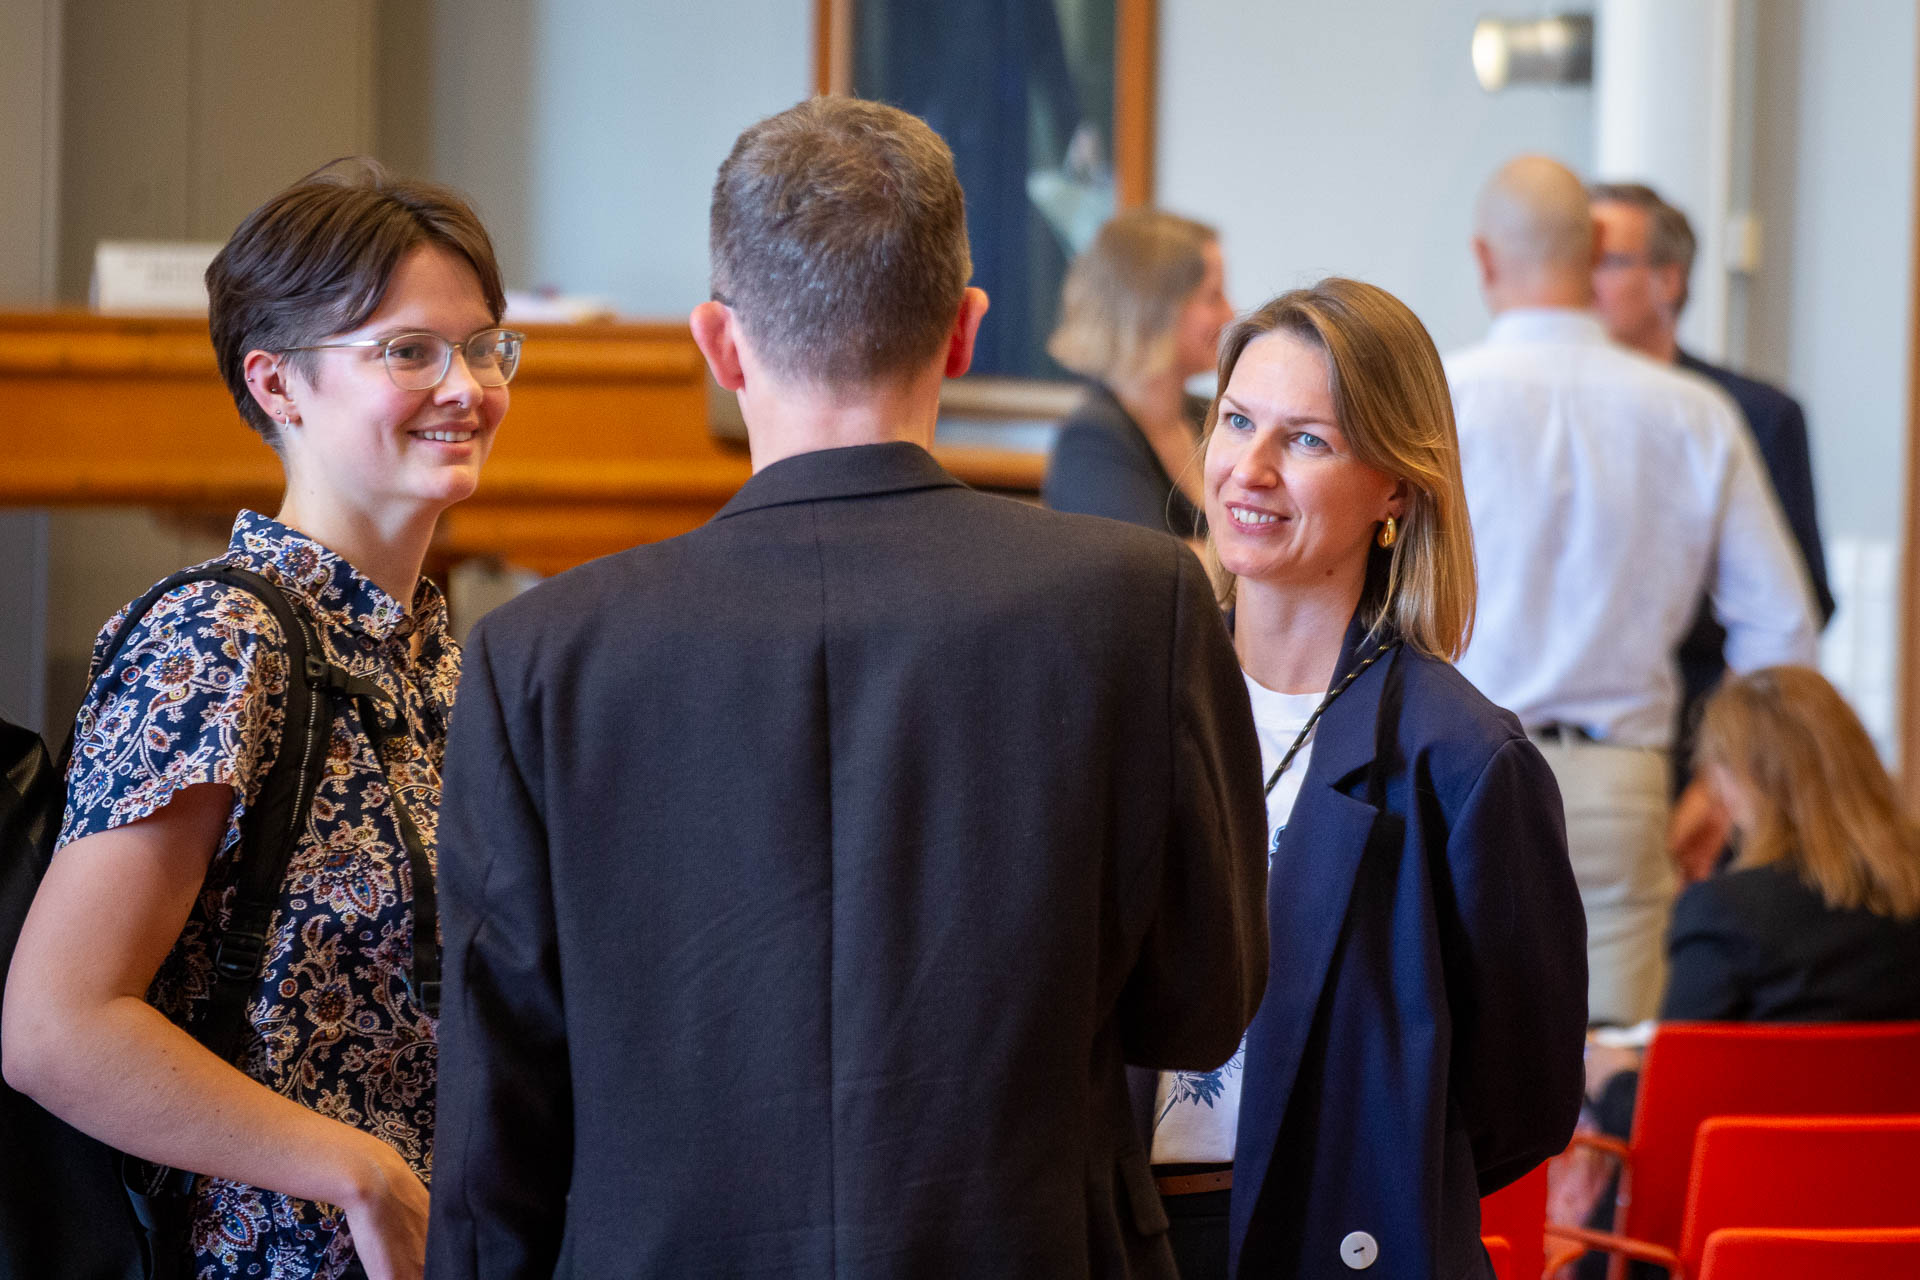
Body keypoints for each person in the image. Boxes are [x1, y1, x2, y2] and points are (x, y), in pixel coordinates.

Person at [427, 96, 1269, 1279]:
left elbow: (493, 1117)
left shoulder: (539, 654)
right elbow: (1201, 1002)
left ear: (718, 344)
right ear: (966, 329)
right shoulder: (1140, 600)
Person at [2, 161, 517, 1280]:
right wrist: (359, 1168)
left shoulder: (439, 661)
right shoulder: (217, 640)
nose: (466, 384)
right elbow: (56, 1026)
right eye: (408, 349)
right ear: (277, 384)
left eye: (483, 345)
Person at [1141, 278, 1587, 1280]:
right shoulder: (1125, 705)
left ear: (1396, 488)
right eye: (1236, 420)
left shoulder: (1465, 759)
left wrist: (1374, 1166)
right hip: (1128, 1236)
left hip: (1330, 1237)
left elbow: (1526, 1096)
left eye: (1307, 440)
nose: (1248, 470)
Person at [1446, 156, 1820, 1027]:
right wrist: (1722, 783)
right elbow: (1783, 627)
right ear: (1593, 254)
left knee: (1457, 1059)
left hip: (1458, 768)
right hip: (1626, 778)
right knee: (1611, 1071)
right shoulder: (1692, 412)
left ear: (1483, 258)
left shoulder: (1440, 400)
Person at [1588, 180, 1835, 800]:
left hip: (1710, 736)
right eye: (1576, 259)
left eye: (1608, 261)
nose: (1584, 281)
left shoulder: (1753, 414)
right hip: (1568, 744)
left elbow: (1801, 603)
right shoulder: (1556, 412)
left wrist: (1722, 768)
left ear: (1668, 282)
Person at [1044, 208, 1234, 541]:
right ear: (1154, 308)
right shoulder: (1092, 442)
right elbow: (1146, 573)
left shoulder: (1212, 416)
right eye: (1213, 296)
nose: (1230, 313)